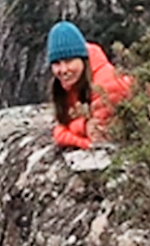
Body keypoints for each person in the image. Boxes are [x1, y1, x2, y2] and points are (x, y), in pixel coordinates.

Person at [47, 20, 132, 150]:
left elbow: (100, 137)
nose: (63, 70)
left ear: (83, 59)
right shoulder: (71, 84)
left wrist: (71, 130)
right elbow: (60, 130)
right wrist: (82, 127)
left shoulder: (106, 84)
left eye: (69, 61)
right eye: (56, 63)